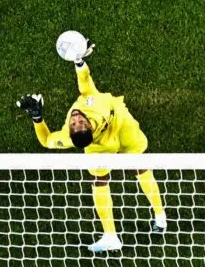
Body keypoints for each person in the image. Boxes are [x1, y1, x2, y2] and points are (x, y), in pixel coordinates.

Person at [17, 40, 167, 254]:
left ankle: (159, 216)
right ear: (86, 127)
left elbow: (47, 140)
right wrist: (79, 62)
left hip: (121, 128)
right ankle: (115, 235)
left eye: (76, 123)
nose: (76, 119)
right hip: (118, 127)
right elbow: (86, 86)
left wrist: (37, 118)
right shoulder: (94, 107)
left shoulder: (72, 134)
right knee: (130, 170)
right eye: (79, 124)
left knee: (133, 170)